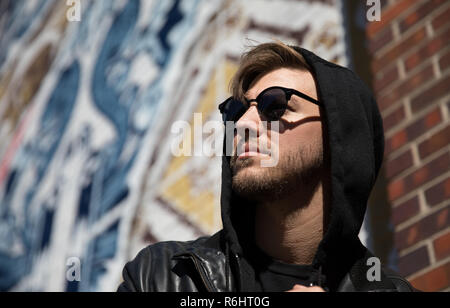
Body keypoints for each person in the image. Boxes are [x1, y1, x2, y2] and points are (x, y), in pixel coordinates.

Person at [117, 42, 416, 292]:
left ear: (337, 136)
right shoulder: (161, 276)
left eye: (274, 106)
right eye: (236, 111)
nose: (243, 124)